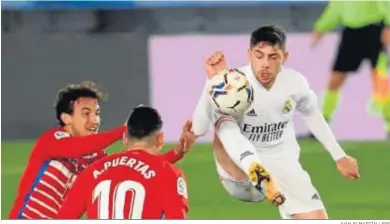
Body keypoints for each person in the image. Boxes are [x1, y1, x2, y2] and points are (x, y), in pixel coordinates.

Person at [192, 25, 360, 219]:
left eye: (273, 57)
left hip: (282, 164)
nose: (265, 64)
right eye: (259, 55)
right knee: (224, 117)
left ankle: (264, 176)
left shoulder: (295, 83)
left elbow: (311, 113)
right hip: (239, 174)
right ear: (249, 54)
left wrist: (339, 156)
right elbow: (199, 128)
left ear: (285, 57)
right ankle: (255, 169)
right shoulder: (233, 81)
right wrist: (213, 81)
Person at [9, 81, 186, 219]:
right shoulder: (52, 139)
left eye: (97, 113)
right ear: (66, 118)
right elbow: (75, 148)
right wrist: (123, 130)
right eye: (86, 113)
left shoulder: (96, 156)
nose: (94, 120)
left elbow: (134, 168)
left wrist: (176, 153)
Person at [57, 106, 194, 219]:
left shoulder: (92, 172)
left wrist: (177, 152)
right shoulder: (169, 174)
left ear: (125, 138)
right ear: (160, 139)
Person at [309, 0, 390, 139]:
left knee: (380, 81)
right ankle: (323, 125)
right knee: (335, 80)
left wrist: (388, 25)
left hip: (374, 30)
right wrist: (321, 28)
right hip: (351, 33)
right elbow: (335, 8)